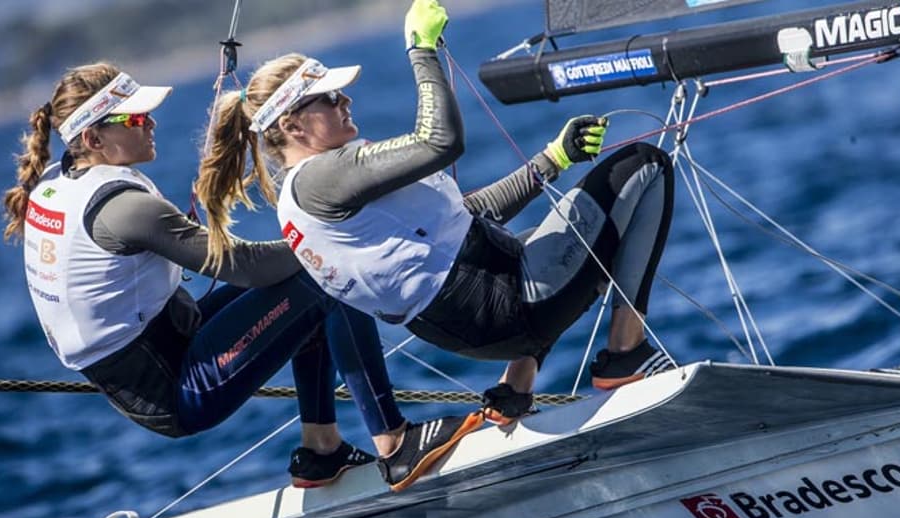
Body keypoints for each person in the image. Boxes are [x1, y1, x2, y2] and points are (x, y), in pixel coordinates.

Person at [196, 0, 675, 485]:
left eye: (341, 95)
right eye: (330, 99)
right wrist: (421, 50)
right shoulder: (324, 177)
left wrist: (553, 159)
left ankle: (515, 388)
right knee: (645, 164)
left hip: (475, 320)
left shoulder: (306, 197)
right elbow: (440, 141)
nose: (346, 103)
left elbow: (468, 218)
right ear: (292, 126)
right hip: (505, 305)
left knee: (554, 236)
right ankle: (624, 357)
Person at [1, 61, 481, 493]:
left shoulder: (61, 181)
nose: (150, 123)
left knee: (309, 285)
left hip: (163, 347)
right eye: (134, 118)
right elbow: (245, 267)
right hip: (173, 389)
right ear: (92, 139)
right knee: (325, 278)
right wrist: (329, 237)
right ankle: (395, 446)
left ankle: (322, 452)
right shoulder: (124, 210)